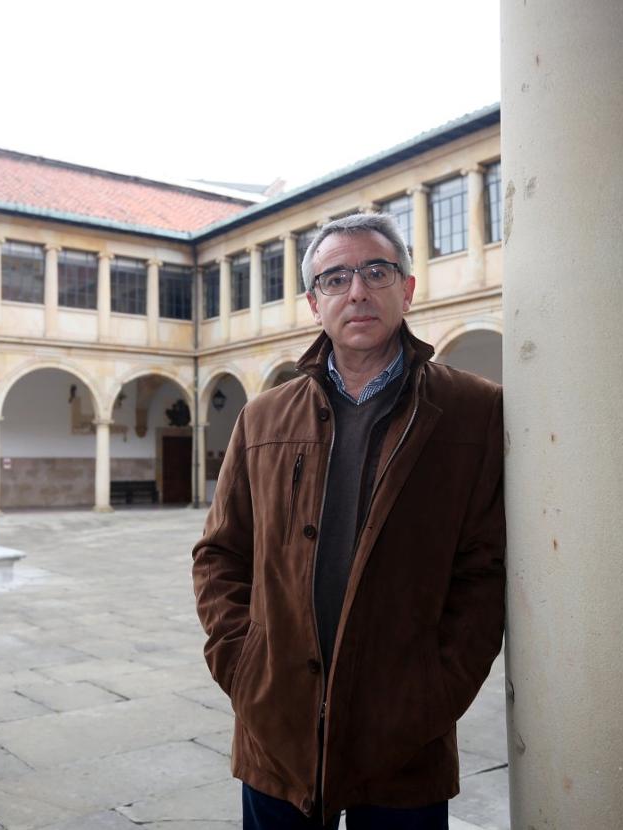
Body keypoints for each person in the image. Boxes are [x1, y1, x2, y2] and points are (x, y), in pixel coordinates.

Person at [192, 213, 505, 828]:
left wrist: (433, 694)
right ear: (314, 303)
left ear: (407, 288)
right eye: (335, 278)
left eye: (376, 271)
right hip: (276, 726)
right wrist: (243, 663)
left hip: (404, 735)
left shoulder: (474, 411)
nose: (357, 290)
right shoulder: (263, 418)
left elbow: (485, 568)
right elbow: (220, 554)